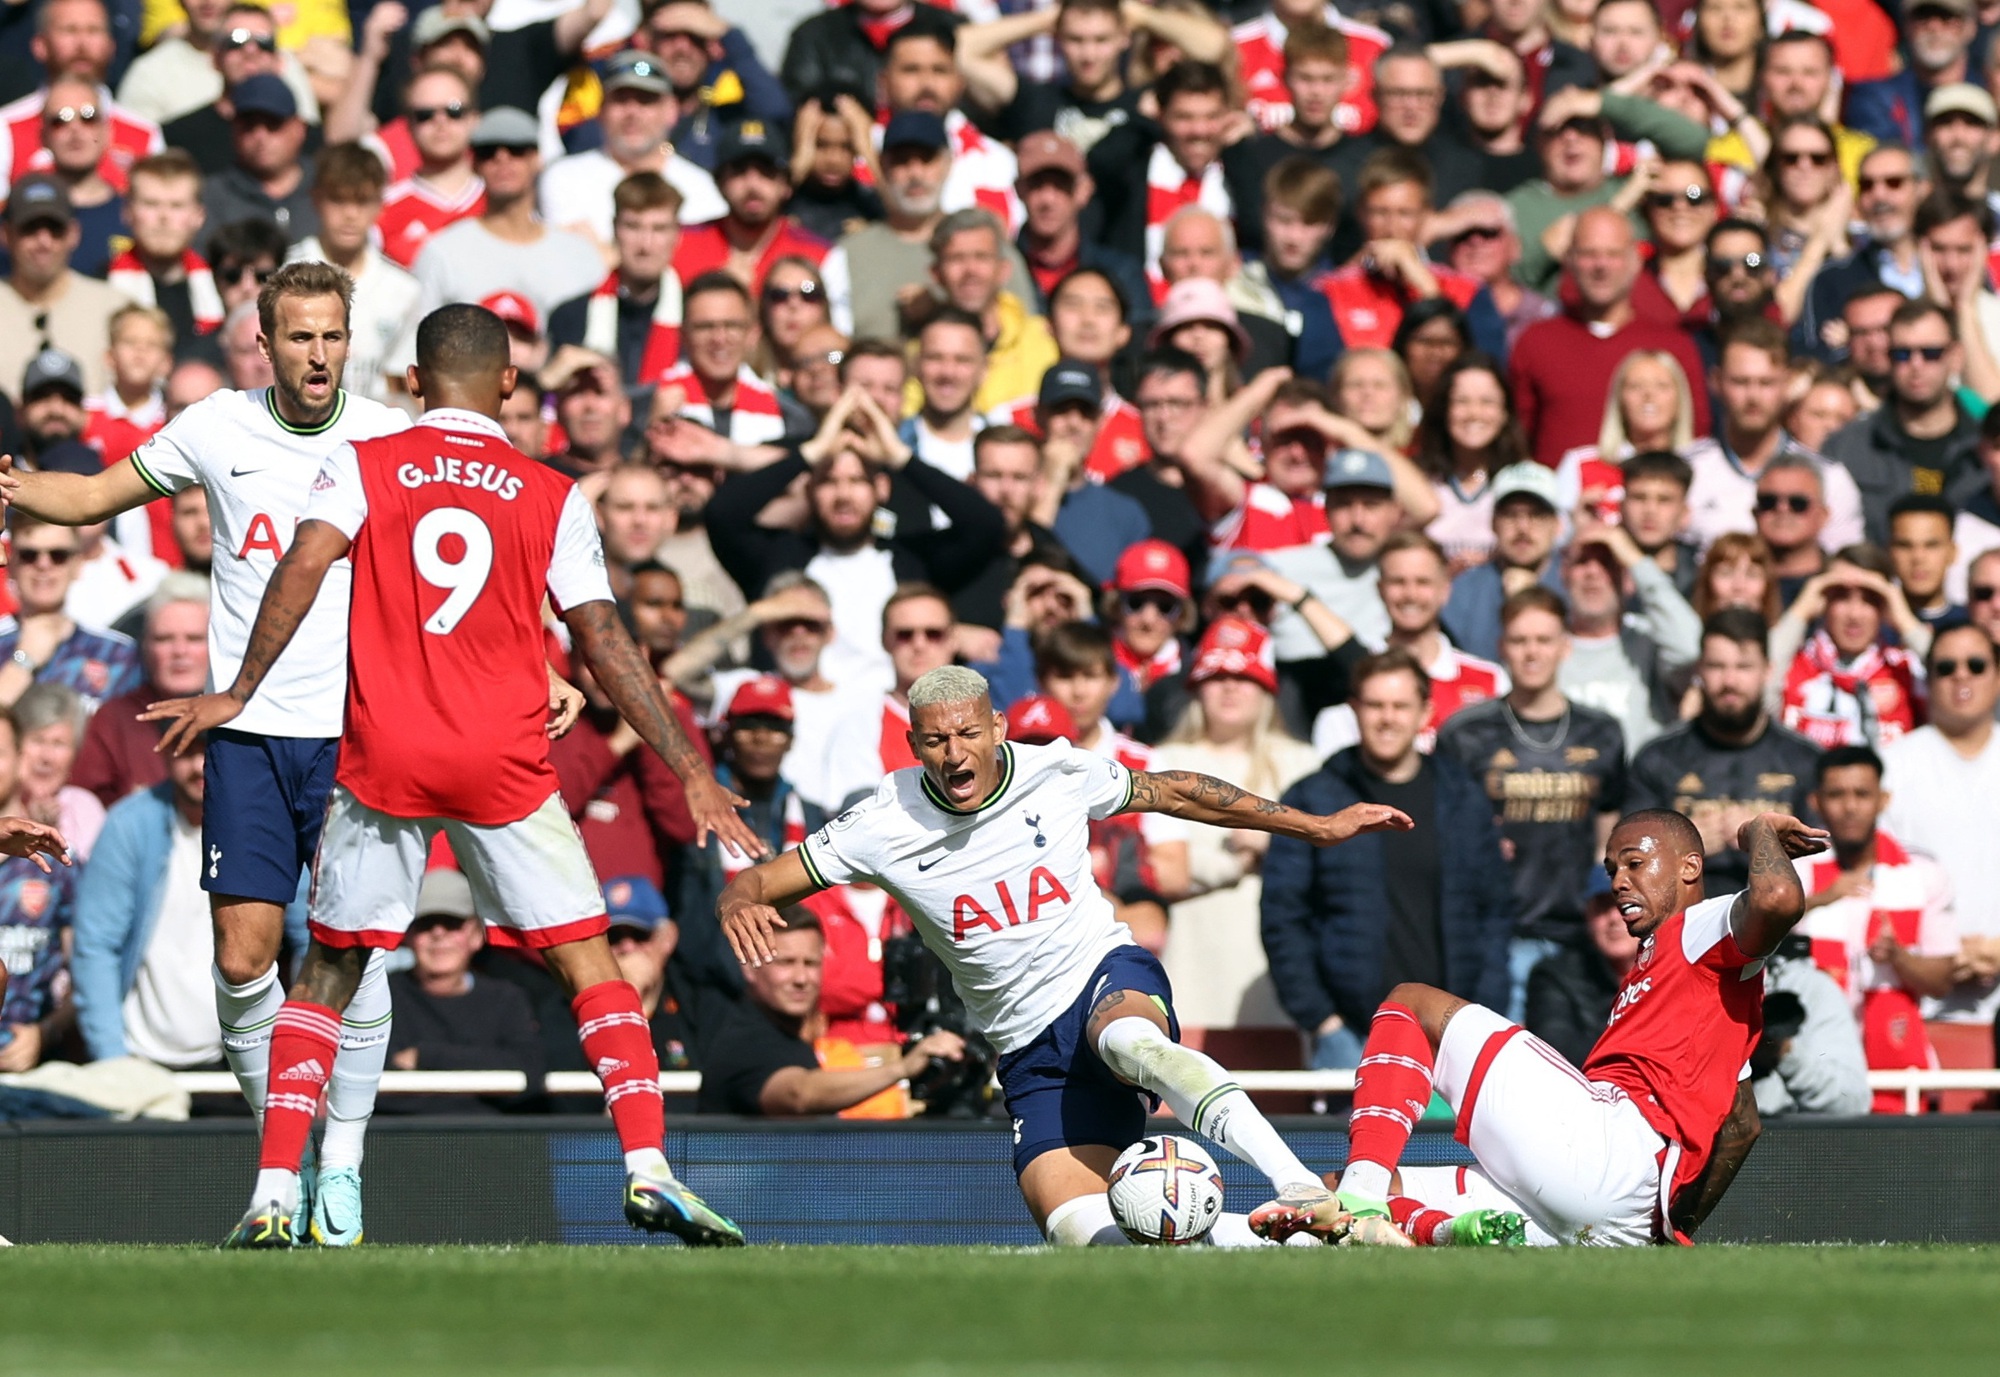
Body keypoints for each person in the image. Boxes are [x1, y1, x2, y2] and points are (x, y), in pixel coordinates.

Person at [148, 301, 760, 1249]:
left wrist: (239, 688)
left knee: (329, 967)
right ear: (510, 385)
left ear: (414, 385)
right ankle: (648, 1165)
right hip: (504, 761)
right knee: (589, 965)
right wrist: (690, 768)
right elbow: (601, 637)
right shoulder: (552, 492)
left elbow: (304, 564)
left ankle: (276, 1186)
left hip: (387, 752)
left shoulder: (362, 462)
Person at [0, 262, 416, 1247]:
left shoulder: (388, 438)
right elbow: (95, 491)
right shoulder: (214, 427)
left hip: (358, 732)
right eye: (299, 337)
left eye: (331, 335)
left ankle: (342, 1166)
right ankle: (285, 1164)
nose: (318, 354)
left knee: (356, 955)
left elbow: (465, 545)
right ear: (263, 345)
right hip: (245, 732)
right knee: (245, 958)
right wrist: (17, 485)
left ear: (348, 340)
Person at [717, 662, 1412, 1245]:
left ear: (997, 728)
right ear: (913, 744)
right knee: (1089, 1233)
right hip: (1027, 1048)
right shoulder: (881, 822)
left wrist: (1314, 826)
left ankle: (1298, 1182)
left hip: (1100, 974)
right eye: (935, 740)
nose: (954, 752)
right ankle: (1302, 1243)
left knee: (1129, 1037)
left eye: (967, 733)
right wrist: (735, 898)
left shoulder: (1055, 771)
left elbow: (1172, 790)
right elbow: (761, 876)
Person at [1255, 808, 1829, 1249]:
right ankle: (1430, 1227)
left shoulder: (1698, 926)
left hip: (1610, 1148)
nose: (1619, 881)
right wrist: (1670, 1230)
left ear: (1689, 867)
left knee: (1411, 1003)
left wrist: (1758, 832)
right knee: (1333, 1195)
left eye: (1634, 862)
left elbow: (1776, 898)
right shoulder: (1711, 1000)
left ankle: (1364, 1197)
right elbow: (1741, 1126)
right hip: (1619, 1217)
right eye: (1612, 871)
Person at [1261, 647, 1514, 1070]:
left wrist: (1481, 1011)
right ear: (1354, 710)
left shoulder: (1463, 796)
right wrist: (1322, 1021)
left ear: (1424, 712)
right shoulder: (1313, 799)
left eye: (1400, 706)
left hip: (1452, 1034)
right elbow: (1283, 916)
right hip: (1351, 1036)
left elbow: (1494, 909)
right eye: (1375, 705)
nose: (1387, 718)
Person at [1439, 587, 1630, 1020]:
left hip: (1582, 936)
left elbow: (1610, 827)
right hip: (1497, 934)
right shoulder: (1464, 733)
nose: (1532, 652)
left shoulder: (1603, 733)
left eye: (1543, 640)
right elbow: (1445, 833)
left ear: (1565, 646)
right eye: (1520, 640)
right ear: (1501, 647)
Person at [1152, 617, 1320, 1032]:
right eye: (1217, 675)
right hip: (1188, 962)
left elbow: (1327, 861)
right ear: (1197, 687)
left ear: (1266, 690)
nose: (1229, 687)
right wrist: (1236, 861)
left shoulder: (1302, 763)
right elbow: (1155, 866)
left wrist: (1273, 847)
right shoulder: (1161, 762)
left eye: (1243, 676)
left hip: (1277, 970)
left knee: (1277, 1092)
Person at [1796, 744, 1959, 1112]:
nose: (1850, 807)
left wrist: (1897, 957)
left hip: (1900, 1072)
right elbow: (1759, 945)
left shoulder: (1922, 874)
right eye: (1837, 795)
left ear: (1883, 799)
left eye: (1862, 794)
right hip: (1815, 1072)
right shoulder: (1794, 874)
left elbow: (1941, 979)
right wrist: (1820, 899)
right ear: (1816, 802)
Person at [70, 729, 245, 1070]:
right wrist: (114, 1064)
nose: (198, 766)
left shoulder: (257, 827)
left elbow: (301, 934)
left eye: (209, 751)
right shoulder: (129, 824)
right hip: (141, 1059)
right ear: (163, 754)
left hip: (237, 1061)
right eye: (185, 752)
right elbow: (96, 945)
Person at [697, 906, 961, 1118]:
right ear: (749, 967)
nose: (801, 978)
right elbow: (799, 1095)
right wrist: (902, 1068)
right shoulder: (743, 1040)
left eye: (810, 963)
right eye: (786, 963)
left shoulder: (791, 1035)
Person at [1628, 610, 1821, 897]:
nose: (1729, 680)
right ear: (1699, 670)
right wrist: (1685, 846)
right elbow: (1629, 858)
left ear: (1768, 671)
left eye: (1743, 667)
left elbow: (1826, 860)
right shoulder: (1658, 758)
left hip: (1780, 926)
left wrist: (1765, 840)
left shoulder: (1806, 761)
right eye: (1717, 666)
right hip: (1684, 924)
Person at [1509, 208, 1711, 467]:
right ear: (1569, 259)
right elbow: (1517, 441)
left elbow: (1695, 436)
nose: (1601, 266)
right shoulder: (1536, 341)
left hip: (1649, 499)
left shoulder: (1672, 344)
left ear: (1635, 261)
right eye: (1588, 254)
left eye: (1613, 254)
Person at [1880, 621, 2000, 1023]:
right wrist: (1941, 953)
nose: (1961, 675)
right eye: (1946, 667)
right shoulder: (1892, 767)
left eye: (1976, 664)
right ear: (1928, 680)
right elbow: (1877, 875)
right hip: (1920, 998)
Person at [412, 107, 604, 325]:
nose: (502, 159)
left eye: (516, 150)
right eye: (488, 152)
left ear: (537, 159)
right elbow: (419, 338)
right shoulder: (442, 252)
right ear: (474, 164)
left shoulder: (579, 253)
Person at [1822, 299, 1986, 544]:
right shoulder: (1846, 447)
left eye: (1931, 353)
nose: (1916, 365)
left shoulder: (1987, 450)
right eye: (1902, 354)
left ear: (1955, 357)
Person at [382, 868, 544, 1113]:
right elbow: (373, 1093)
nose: (438, 934)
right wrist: (479, 1089)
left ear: (476, 935)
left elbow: (529, 1073)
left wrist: (426, 1057)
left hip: (492, 1145)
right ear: (409, 935)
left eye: (452, 923)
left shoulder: (506, 999)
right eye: (426, 925)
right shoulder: (380, 998)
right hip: (402, 1144)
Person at [537, 49, 724, 248]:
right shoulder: (565, 179)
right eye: (621, 99)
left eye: (646, 101)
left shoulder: (701, 188)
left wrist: (603, 251)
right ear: (601, 109)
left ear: (671, 111)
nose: (633, 112)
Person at [286, 143, 420, 408]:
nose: (350, 214)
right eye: (338, 200)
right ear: (316, 199)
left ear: (380, 204)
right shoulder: (286, 274)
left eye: (362, 201)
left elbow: (400, 383)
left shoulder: (403, 289)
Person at [1559, 515, 1703, 758]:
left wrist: (1635, 559)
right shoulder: (1542, 644)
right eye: (1582, 562)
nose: (1593, 572)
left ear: (1627, 579)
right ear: (1564, 573)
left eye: (1607, 563)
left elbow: (1692, 649)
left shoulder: (1648, 639)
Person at [71, 573, 207, 808]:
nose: (180, 651)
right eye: (164, 639)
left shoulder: (243, 714)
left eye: (194, 639)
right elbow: (84, 804)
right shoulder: (114, 719)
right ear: (145, 646)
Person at [1086, 60, 1234, 273]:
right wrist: (1140, 119)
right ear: (1161, 116)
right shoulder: (1136, 167)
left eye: (1211, 117)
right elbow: (1099, 161)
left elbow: (1255, 224)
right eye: (1184, 117)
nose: (1199, 130)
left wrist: (1241, 149)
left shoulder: (1237, 170)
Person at [1775, 549, 1930, 749]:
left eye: (1870, 599)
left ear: (1885, 605)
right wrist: (1801, 610)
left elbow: (1958, 672)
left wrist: (1905, 620)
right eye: (1841, 596)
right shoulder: (1791, 663)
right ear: (1823, 600)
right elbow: (1755, 679)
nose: (1854, 615)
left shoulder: (1906, 668)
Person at [547, 174, 686, 395]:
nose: (645, 245)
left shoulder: (696, 317)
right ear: (614, 229)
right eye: (633, 227)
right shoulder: (570, 316)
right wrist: (546, 381)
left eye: (659, 229)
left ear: (677, 235)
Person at [0, 176, 131, 404]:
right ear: (6, 235)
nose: (44, 242)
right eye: (29, 229)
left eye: (55, 229)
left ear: (73, 233)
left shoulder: (115, 308)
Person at [0, 709, 81, 1071]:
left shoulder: (56, 863)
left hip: (34, 1067)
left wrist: (44, 1033)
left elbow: (89, 970)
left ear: (21, 760)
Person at [0, 516, 142, 714]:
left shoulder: (117, 652)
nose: (43, 565)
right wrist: (24, 661)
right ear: (12, 564)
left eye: (58, 555)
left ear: (78, 565)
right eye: (29, 555)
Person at [671, 121, 828, 296]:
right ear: (719, 182)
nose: (753, 185)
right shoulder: (679, 244)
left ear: (786, 185)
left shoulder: (819, 257)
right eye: (739, 171)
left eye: (766, 171)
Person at [1439, 462, 1564, 665]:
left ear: (1558, 525)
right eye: (1511, 515)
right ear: (1493, 523)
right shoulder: (1463, 591)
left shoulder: (1578, 584)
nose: (1523, 527)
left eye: (1536, 515)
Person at [373, 63, 484, 270]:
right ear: (407, 125)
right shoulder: (379, 212)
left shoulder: (507, 204)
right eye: (425, 114)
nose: (440, 121)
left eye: (454, 111)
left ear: (475, 119)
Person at [1523, 873, 1638, 1068]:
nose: (1613, 918)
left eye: (1624, 906)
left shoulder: (1674, 972)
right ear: (1587, 917)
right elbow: (1556, 1050)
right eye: (1602, 908)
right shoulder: (1553, 976)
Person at [199, 74, 315, 241]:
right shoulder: (211, 197)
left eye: (273, 124)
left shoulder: (330, 190)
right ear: (234, 131)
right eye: (249, 126)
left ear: (300, 128)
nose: (260, 136)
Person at [1889, 494, 1963, 626]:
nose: (1918, 557)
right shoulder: (1871, 629)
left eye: (1931, 545)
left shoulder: (1973, 625)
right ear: (1889, 552)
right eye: (1905, 545)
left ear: (1953, 553)